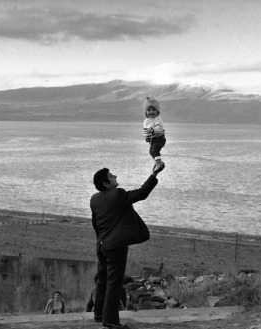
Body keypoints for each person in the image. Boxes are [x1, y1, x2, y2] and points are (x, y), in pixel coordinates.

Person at [90, 164, 164, 329]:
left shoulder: (94, 199)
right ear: (106, 184)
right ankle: (110, 321)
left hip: (101, 246)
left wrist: (100, 241)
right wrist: (154, 174)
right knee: (114, 283)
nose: (115, 176)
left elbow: (95, 224)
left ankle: (99, 314)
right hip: (116, 247)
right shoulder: (118, 194)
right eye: (111, 176)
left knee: (102, 281)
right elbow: (142, 193)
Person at [142, 96, 166, 170]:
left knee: (155, 150)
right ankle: (157, 162)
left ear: (157, 112)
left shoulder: (157, 120)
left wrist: (152, 130)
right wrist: (147, 137)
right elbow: (146, 130)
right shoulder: (147, 120)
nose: (151, 112)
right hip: (153, 139)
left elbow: (159, 129)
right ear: (146, 112)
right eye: (149, 110)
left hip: (159, 138)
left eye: (153, 110)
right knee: (151, 152)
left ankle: (159, 163)